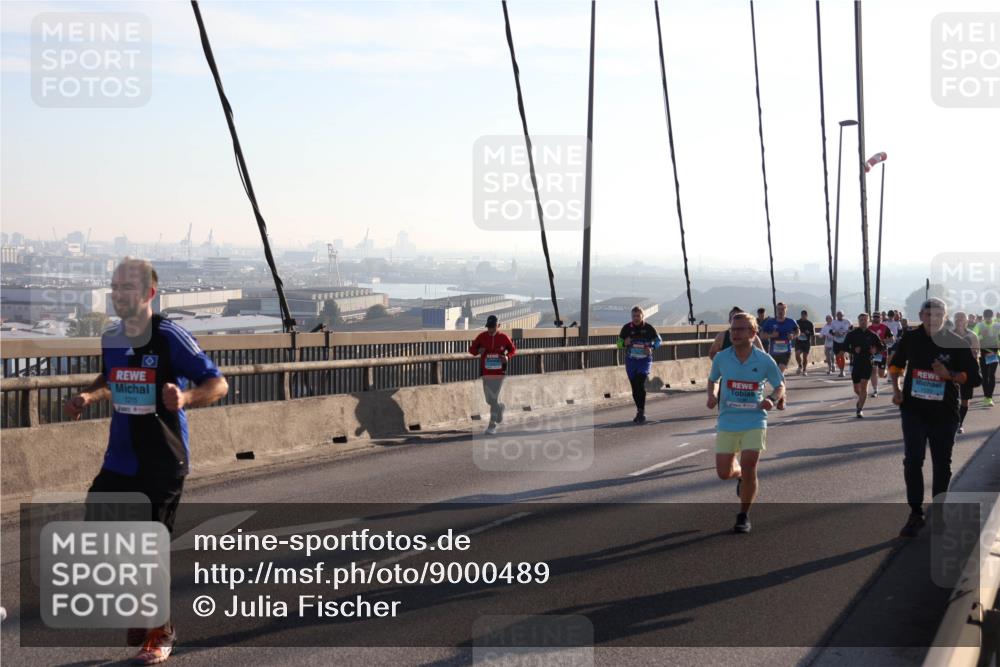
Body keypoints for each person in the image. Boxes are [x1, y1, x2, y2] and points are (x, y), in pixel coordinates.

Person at [64, 258, 229, 665]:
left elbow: (218, 383)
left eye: (127, 288)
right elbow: (110, 376)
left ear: (149, 294)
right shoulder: (111, 338)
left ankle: (161, 631)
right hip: (119, 459)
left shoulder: (169, 336)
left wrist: (186, 397)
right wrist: (88, 395)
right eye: (114, 287)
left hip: (162, 460)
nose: (118, 294)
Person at [889, 298, 981, 538]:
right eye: (929, 315)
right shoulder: (910, 338)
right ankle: (915, 513)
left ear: (945, 317)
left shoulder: (956, 342)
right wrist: (897, 391)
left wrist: (949, 374)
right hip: (913, 410)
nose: (933, 320)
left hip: (944, 414)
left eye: (938, 315)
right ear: (921, 316)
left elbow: (974, 378)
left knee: (942, 464)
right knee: (912, 461)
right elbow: (896, 365)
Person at [707, 312, 785, 534]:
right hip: (727, 420)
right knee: (723, 472)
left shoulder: (764, 360)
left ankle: (743, 515)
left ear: (753, 333)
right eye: (732, 329)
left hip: (754, 419)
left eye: (740, 329)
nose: (735, 333)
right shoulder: (722, 357)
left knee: (750, 463)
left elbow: (780, 385)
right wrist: (712, 395)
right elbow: (713, 379)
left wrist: (772, 399)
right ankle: (738, 474)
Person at [469, 314, 516, 435]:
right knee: (489, 400)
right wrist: (478, 351)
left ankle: (492, 425)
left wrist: (506, 356)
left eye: (492, 327)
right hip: (486, 373)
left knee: (493, 397)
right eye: (488, 327)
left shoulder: (504, 337)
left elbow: (513, 350)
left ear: (498, 326)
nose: (490, 330)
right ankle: (500, 408)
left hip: (499, 373)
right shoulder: (482, 337)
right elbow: (471, 350)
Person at [617, 306, 662, 424]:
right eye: (634, 316)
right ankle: (639, 410)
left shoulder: (649, 328)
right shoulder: (626, 328)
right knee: (634, 387)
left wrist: (651, 348)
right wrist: (623, 343)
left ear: (643, 316)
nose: (636, 318)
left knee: (640, 383)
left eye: (638, 316)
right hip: (631, 361)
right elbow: (618, 343)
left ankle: (641, 412)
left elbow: (659, 341)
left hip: (644, 361)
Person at [844, 313, 882, 418]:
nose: (863, 321)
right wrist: (853, 350)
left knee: (864, 386)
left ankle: (859, 409)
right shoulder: (852, 334)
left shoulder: (873, 335)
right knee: (857, 389)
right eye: (861, 319)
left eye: (865, 319)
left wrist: (875, 350)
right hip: (856, 363)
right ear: (858, 321)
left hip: (867, 363)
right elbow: (845, 346)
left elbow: (881, 347)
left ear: (868, 321)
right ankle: (861, 399)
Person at [760, 303, 798, 409]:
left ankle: (780, 398)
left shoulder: (791, 321)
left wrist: (793, 336)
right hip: (773, 352)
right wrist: (772, 335)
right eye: (779, 309)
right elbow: (762, 335)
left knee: (779, 372)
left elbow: (797, 331)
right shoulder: (770, 322)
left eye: (782, 309)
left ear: (786, 310)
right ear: (776, 310)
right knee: (777, 375)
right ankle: (782, 395)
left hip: (786, 352)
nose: (780, 311)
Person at [953, 312, 980, 434]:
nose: (959, 321)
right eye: (957, 319)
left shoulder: (972, 335)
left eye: (962, 319)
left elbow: (976, 355)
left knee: (965, 399)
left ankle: (960, 423)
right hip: (951, 371)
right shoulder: (948, 335)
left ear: (966, 321)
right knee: (951, 398)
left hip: (967, 372)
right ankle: (952, 422)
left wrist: (973, 355)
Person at [973, 309, 999, 407]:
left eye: (990, 317)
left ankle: (989, 398)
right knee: (984, 375)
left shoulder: (997, 325)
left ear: (992, 317)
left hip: (994, 352)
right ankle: (986, 397)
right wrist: (981, 335)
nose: (988, 319)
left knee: (991, 375)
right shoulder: (979, 325)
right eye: (986, 317)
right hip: (983, 353)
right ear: (984, 317)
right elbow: (973, 337)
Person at [867, 312, 893, 397]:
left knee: (881, 374)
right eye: (874, 317)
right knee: (873, 370)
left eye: (877, 317)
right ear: (872, 318)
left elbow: (892, 339)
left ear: (881, 318)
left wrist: (882, 342)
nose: (876, 318)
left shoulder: (885, 328)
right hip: (873, 354)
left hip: (882, 353)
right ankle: (875, 390)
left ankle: (885, 373)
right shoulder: (869, 328)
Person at [828, 311, 852, 377]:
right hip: (836, 341)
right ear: (836, 315)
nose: (839, 316)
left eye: (840, 315)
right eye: (838, 315)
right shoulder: (834, 322)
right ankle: (841, 370)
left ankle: (842, 371)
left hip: (844, 341)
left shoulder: (847, 321)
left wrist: (847, 332)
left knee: (841, 355)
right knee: (838, 357)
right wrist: (835, 333)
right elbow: (830, 331)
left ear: (843, 315)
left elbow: (851, 328)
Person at [794, 310, 815, 375]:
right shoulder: (797, 322)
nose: (803, 316)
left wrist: (808, 333)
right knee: (797, 354)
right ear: (801, 315)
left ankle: (804, 370)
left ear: (806, 316)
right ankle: (800, 365)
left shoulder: (810, 323)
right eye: (802, 315)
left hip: (806, 342)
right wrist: (797, 333)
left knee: (805, 357)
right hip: (799, 342)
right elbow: (793, 330)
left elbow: (813, 333)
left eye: (804, 315)